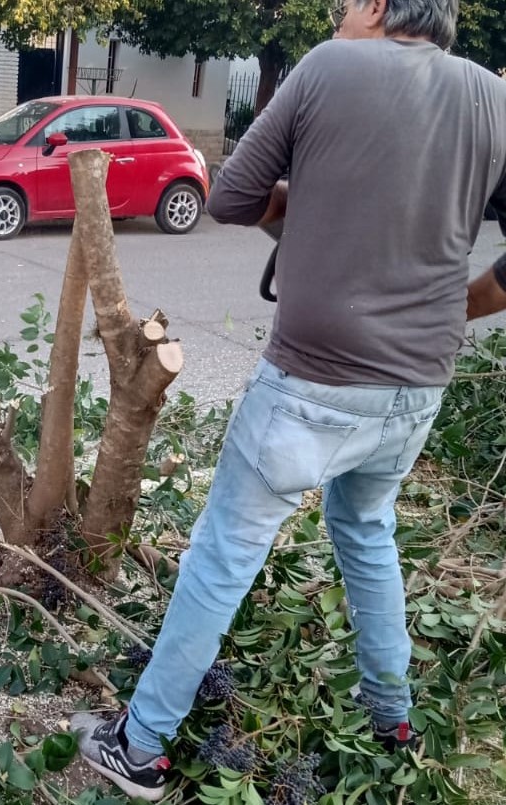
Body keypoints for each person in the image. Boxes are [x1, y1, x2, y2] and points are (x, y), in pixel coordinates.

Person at [70, 0, 506, 800]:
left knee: (222, 556)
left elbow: (230, 195)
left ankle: (139, 746)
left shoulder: (330, 64)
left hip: (311, 385)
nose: (339, 11)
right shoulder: (493, 95)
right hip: (414, 393)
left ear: (376, 5)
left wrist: (300, 202)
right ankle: (393, 715)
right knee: (366, 531)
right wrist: (462, 307)